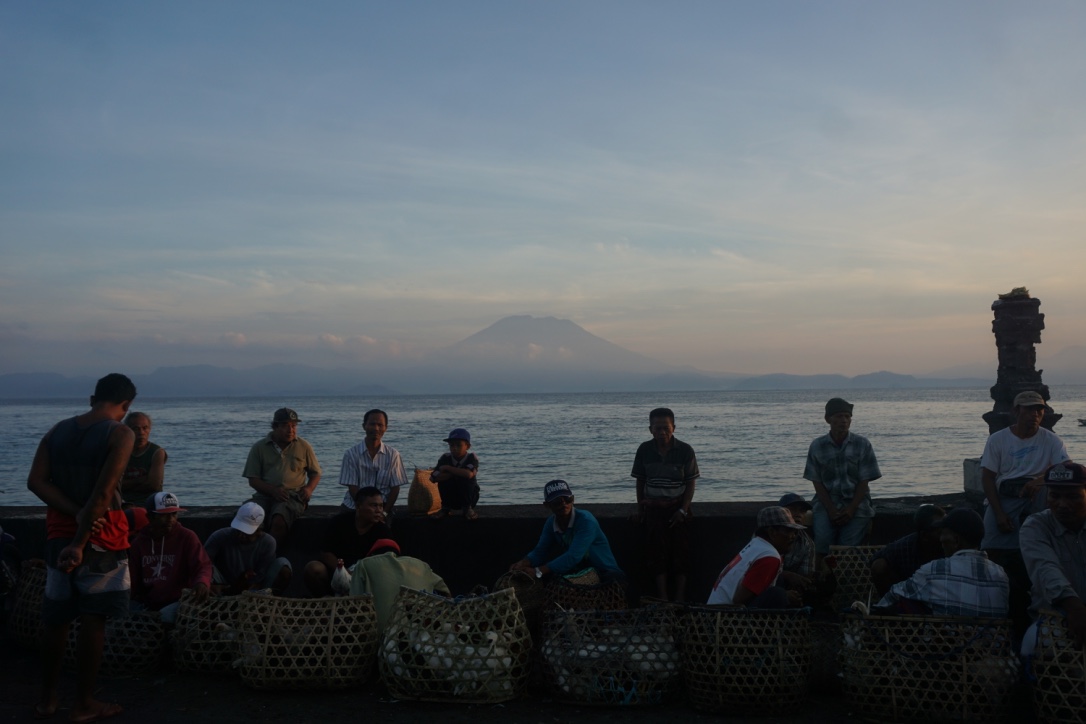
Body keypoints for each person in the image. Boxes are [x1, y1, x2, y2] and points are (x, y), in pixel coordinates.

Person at [26, 372, 137, 723]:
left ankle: (47, 699)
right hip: (100, 541)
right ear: (126, 405)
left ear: (93, 399)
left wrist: (73, 518)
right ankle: (84, 703)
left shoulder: (56, 431)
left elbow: (35, 482)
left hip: (57, 534)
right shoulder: (121, 432)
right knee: (94, 622)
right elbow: (104, 495)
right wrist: (81, 538)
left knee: (56, 621)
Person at [980, 390, 1069, 639]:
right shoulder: (998, 440)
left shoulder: (1051, 440)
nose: (1034, 414)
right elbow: (988, 478)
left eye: (1039, 410)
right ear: (1016, 411)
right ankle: (994, 597)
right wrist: (998, 512)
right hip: (1006, 494)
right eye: (1029, 409)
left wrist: (1040, 479)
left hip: (1036, 493)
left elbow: (1064, 469)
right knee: (991, 547)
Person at [876, 508, 1009, 617]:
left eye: (944, 534)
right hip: (992, 645)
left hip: (950, 645)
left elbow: (892, 596)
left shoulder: (934, 570)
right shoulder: (1000, 574)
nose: (941, 540)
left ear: (956, 540)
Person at [631, 407, 700, 601]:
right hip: (653, 509)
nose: (662, 432)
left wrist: (683, 510)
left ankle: (679, 598)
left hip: (677, 508)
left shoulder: (685, 450)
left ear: (674, 428)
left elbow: (690, 483)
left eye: (666, 428)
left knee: (681, 554)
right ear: (650, 429)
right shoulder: (644, 450)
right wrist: (640, 509)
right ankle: (663, 598)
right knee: (656, 554)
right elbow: (640, 481)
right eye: (657, 428)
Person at [803, 397, 882, 560]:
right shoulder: (817, 446)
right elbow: (816, 481)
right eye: (839, 416)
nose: (844, 421)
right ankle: (822, 580)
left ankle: (846, 581)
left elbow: (864, 481)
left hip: (857, 502)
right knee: (823, 543)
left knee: (848, 547)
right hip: (826, 503)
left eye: (847, 417)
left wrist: (851, 508)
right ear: (828, 419)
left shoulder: (862, 444)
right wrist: (831, 510)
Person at [1020, 462, 1086, 652]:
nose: (1063, 504)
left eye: (1073, 497)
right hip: (1053, 616)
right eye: (1055, 496)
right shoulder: (1035, 526)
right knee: (1035, 644)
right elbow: (1046, 569)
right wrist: (1074, 608)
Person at [509, 480, 625, 582]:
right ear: (547, 505)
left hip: (604, 573)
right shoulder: (551, 523)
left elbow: (573, 556)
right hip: (577, 575)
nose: (564, 504)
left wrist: (538, 571)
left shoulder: (586, 521)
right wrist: (523, 563)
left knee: (613, 579)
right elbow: (540, 551)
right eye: (557, 502)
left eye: (567, 499)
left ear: (573, 499)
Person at [242, 407, 322, 548]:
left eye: (293, 426)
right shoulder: (259, 447)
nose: (290, 430)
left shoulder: (304, 446)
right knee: (249, 518)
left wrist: (309, 489)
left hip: (292, 496)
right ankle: (249, 558)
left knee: (279, 520)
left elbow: (315, 473)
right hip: (263, 496)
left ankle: (269, 557)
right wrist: (272, 490)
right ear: (275, 427)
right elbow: (253, 479)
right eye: (285, 426)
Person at [128, 492, 212, 624]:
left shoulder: (187, 537)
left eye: (174, 514)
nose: (170, 520)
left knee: (165, 617)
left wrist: (201, 582)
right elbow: (133, 578)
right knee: (124, 612)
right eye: (164, 515)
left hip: (179, 600)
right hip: (148, 601)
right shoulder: (139, 543)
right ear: (150, 517)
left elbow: (202, 566)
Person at [707, 506, 806, 608]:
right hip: (725, 615)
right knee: (777, 594)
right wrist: (785, 596)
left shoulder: (756, 544)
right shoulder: (770, 556)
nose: (793, 536)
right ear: (772, 532)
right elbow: (739, 600)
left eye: (794, 532)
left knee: (779, 581)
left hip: (715, 609)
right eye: (789, 531)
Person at [304, 486, 393, 596]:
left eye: (381, 506)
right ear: (358, 506)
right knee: (313, 568)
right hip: (337, 572)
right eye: (373, 505)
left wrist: (357, 575)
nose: (379, 510)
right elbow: (325, 553)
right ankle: (326, 601)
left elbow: (387, 561)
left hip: (365, 579)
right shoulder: (339, 522)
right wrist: (344, 572)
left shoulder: (383, 531)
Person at [348, 539, 450, 631]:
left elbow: (354, 601)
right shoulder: (421, 565)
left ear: (373, 554)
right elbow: (445, 591)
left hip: (378, 637)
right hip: (420, 634)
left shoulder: (364, 564)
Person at [204, 502, 292, 596]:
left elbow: (260, 575)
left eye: (246, 532)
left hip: (254, 587)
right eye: (238, 530)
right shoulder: (219, 536)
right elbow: (202, 563)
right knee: (205, 563)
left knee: (283, 565)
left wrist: (251, 585)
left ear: (259, 530)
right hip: (223, 583)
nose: (241, 536)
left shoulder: (268, 543)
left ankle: (269, 602)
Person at [337, 409, 408, 517]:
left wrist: (384, 512)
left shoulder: (393, 455)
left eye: (380, 425)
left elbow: (395, 489)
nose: (376, 428)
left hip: (382, 508)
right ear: (364, 426)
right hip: (354, 506)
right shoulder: (351, 454)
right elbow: (352, 488)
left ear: (386, 428)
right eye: (372, 424)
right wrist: (365, 509)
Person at [869, 504, 947, 597]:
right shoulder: (905, 546)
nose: (945, 534)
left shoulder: (952, 542)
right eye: (940, 531)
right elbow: (876, 563)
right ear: (925, 536)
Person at [429, 427, 480, 520]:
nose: (454, 448)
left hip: (469, 497)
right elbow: (433, 478)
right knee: (450, 478)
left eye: (458, 445)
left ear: (467, 446)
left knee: (466, 479)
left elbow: (469, 474)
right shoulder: (445, 457)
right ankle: (445, 508)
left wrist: (448, 468)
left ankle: (467, 508)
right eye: (452, 445)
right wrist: (455, 473)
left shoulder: (472, 457)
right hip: (451, 497)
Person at [119, 411, 167, 506]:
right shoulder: (121, 451)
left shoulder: (156, 452)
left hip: (148, 503)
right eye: (136, 429)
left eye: (145, 428)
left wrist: (125, 484)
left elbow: (154, 485)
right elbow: (114, 484)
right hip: (124, 502)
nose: (141, 432)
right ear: (127, 430)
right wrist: (141, 480)